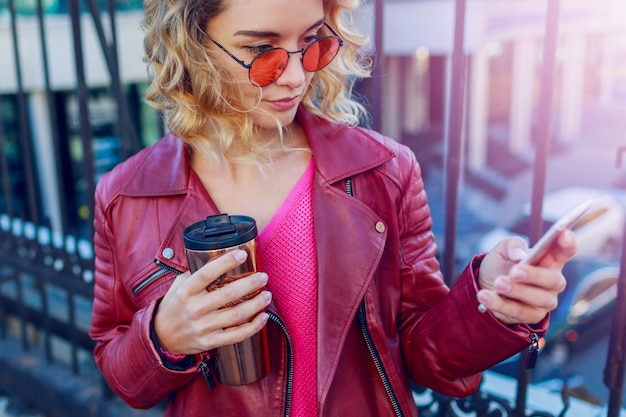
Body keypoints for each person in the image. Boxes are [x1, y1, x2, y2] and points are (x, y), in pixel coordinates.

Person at [88, 0, 576, 415]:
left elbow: (426, 358)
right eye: (262, 51)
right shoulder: (126, 196)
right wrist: (164, 337)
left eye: (312, 42)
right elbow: (121, 372)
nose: (296, 76)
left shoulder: (384, 172)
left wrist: (490, 303)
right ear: (191, 44)